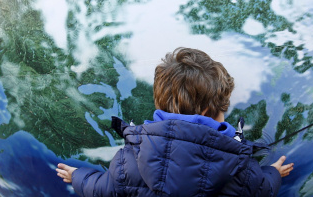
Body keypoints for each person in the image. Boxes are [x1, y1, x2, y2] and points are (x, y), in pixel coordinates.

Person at [57, 47, 294, 196]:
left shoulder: (129, 161)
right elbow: (262, 187)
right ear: (210, 110)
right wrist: (274, 172)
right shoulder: (242, 168)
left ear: (160, 102)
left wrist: (77, 176)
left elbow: (102, 188)